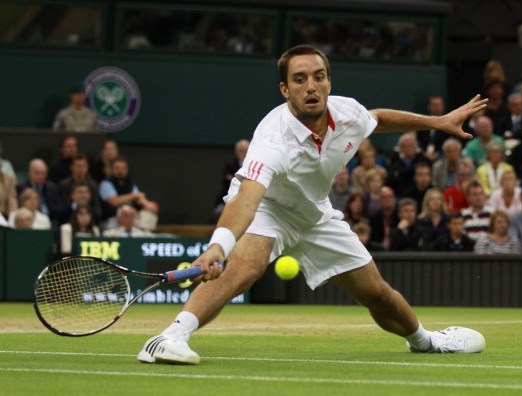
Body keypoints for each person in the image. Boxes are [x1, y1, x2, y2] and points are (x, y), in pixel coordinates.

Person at [137, 45, 487, 364]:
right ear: (285, 90)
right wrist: (218, 248)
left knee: (377, 293)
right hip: (268, 207)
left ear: (328, 82)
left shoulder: (347, 113)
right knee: (245, 268)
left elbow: (378, 118)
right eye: (300, 79)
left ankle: (425, 342)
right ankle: (169, 337)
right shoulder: (272, 140)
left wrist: (437, 123)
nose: (311, 87)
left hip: (315, 214)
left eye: (319, 77)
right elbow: (247, 198)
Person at [99, 156, 159, 231]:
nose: (120, 171)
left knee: (149, 211)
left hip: (132, 218)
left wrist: (147, 204)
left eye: (123, 168)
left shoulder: (131, 184)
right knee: (125, 212)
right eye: (117, 168)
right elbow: (114, 201)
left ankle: (145, 237)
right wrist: (134, 196)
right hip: (113, 219)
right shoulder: (106, 183)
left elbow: (140, 199)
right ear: (111, 169)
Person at [17, 158, 62, 225]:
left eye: (43, 173)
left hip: (51, 222)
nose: (40, 176)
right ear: (29, 173)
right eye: (37, 173)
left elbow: (57, 208)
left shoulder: (52, 187)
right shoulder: (21, 188)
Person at [213, 139, 250, 221]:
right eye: (242, 151)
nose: (244, 154)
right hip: (226, 201)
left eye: (247, 151)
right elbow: (225, 182)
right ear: (236, 152)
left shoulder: (254, 167)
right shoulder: (229, 165)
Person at [58, 153, 101, 219]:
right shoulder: (64, 185)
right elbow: (64, 205)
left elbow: (96, 207)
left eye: (83, 166)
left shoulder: (93, 185)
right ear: (72, 167)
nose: (81, 169)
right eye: (78, 166)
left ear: (87, 167)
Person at [416, 95, 448, 161]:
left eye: (439, 105)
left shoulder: (448, 123)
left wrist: (437, 154)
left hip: (442, 156)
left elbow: (448, 141)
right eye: (434, 106)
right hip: (423, 155)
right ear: (429, 107)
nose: (437, 108)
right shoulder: (423, 123)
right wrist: (424, 153)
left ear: (443, 106)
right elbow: (418, 141)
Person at [369, 186, 398, 250]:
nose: (388, 200)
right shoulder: (374, 219)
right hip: (378, 252)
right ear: (380, 200)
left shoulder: (400, 217)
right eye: (384, 197)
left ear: (394, 198)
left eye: (390, 197)